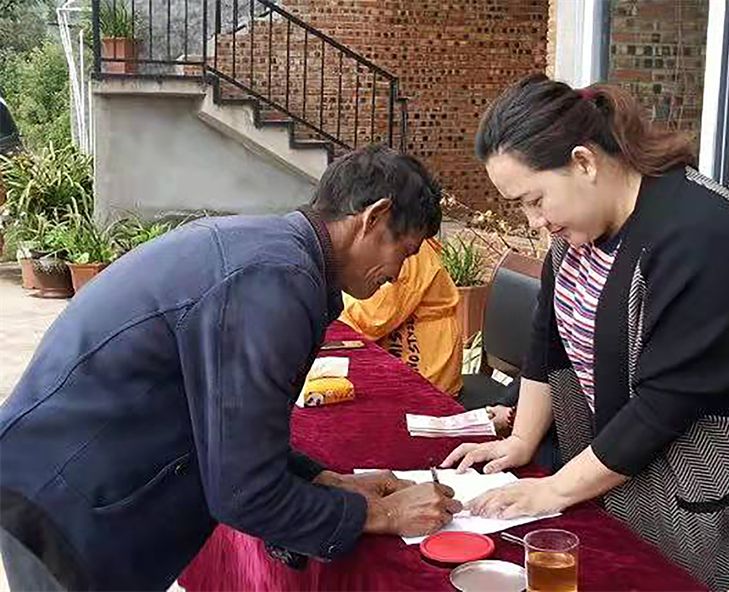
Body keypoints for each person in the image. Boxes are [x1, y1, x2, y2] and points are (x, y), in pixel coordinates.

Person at [0, 145, 462, 591]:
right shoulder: (275, 282)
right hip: (65, 498)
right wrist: (384, 514)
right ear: (374, 218)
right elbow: (245, 493)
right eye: (405, 251)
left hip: (65, 475)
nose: (399, 275)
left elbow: (227, 428)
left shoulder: (275, 253)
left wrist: (326, 480)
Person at [442, 74, 729, 590]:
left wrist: (554, 490)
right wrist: (522, 439)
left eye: (535, 199)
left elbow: (665, 404)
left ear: (584, 163)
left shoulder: (703, 237)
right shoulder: (578, 234)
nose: (534, 221)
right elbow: (548, 341)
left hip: (725, 510)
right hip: (627, 487)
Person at [339, 237, 463, 395]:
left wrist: (329, 300)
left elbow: (371, 320)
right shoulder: (394, 242)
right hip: (406, 357)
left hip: (426, 373)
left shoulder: (408, 253)